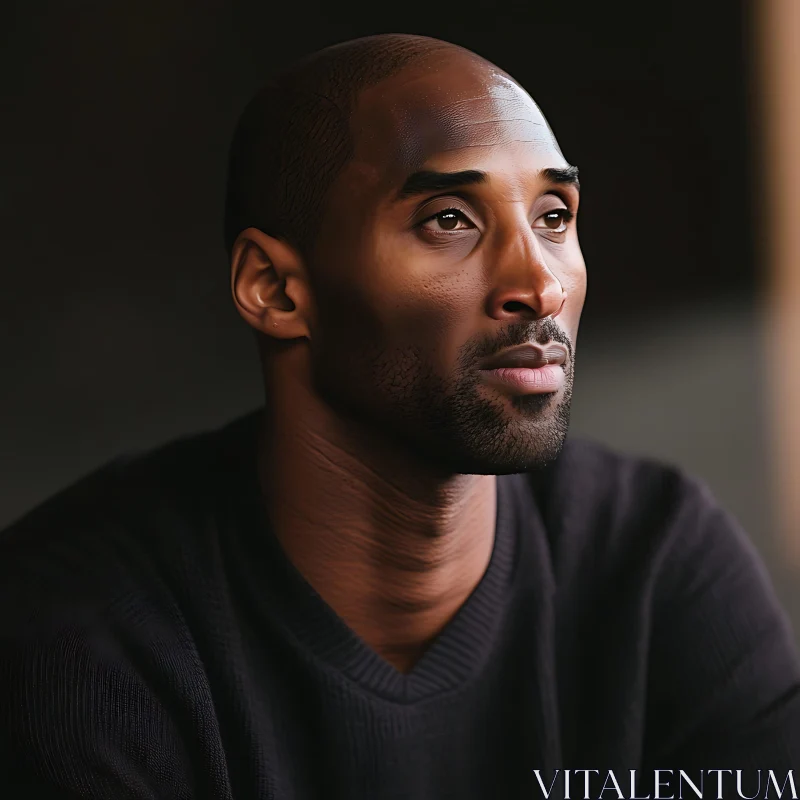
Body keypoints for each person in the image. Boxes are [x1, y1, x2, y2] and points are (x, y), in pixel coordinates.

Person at [1, 32, 798, 799]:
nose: (542, 285)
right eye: (449, 219)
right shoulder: (76, 644)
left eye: (553, 215)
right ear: (276, 290)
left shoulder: (656, 564)